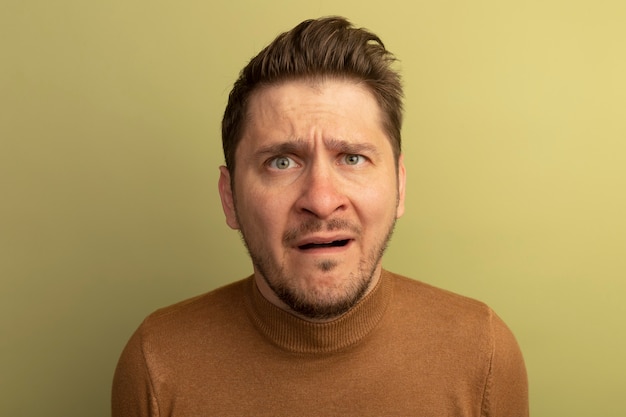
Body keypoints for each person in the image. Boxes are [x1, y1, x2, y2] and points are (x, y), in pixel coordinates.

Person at [112, 16, 528, 416]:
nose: (322, 200)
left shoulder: (484, 353)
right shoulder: (156, 363)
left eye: (352, 158)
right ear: (229, 197)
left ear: (399, 185)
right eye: (281, 163)